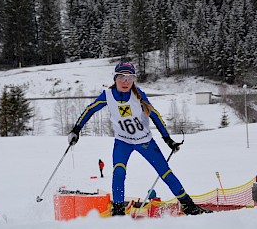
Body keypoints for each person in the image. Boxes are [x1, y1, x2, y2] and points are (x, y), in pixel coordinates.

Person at [68, 62, 211, 216]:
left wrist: (167, 140)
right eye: (122, 77)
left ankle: (189, 206)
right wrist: (76, 130)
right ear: (115, 78)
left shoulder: (138, 95)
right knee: (119, 173)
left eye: (130, 78)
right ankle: (118, 211)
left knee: (165, 172)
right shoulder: (108, 95)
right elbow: (90, 109)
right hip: (122, 142)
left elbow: (154, 115)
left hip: (145, 142)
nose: (126, 82)